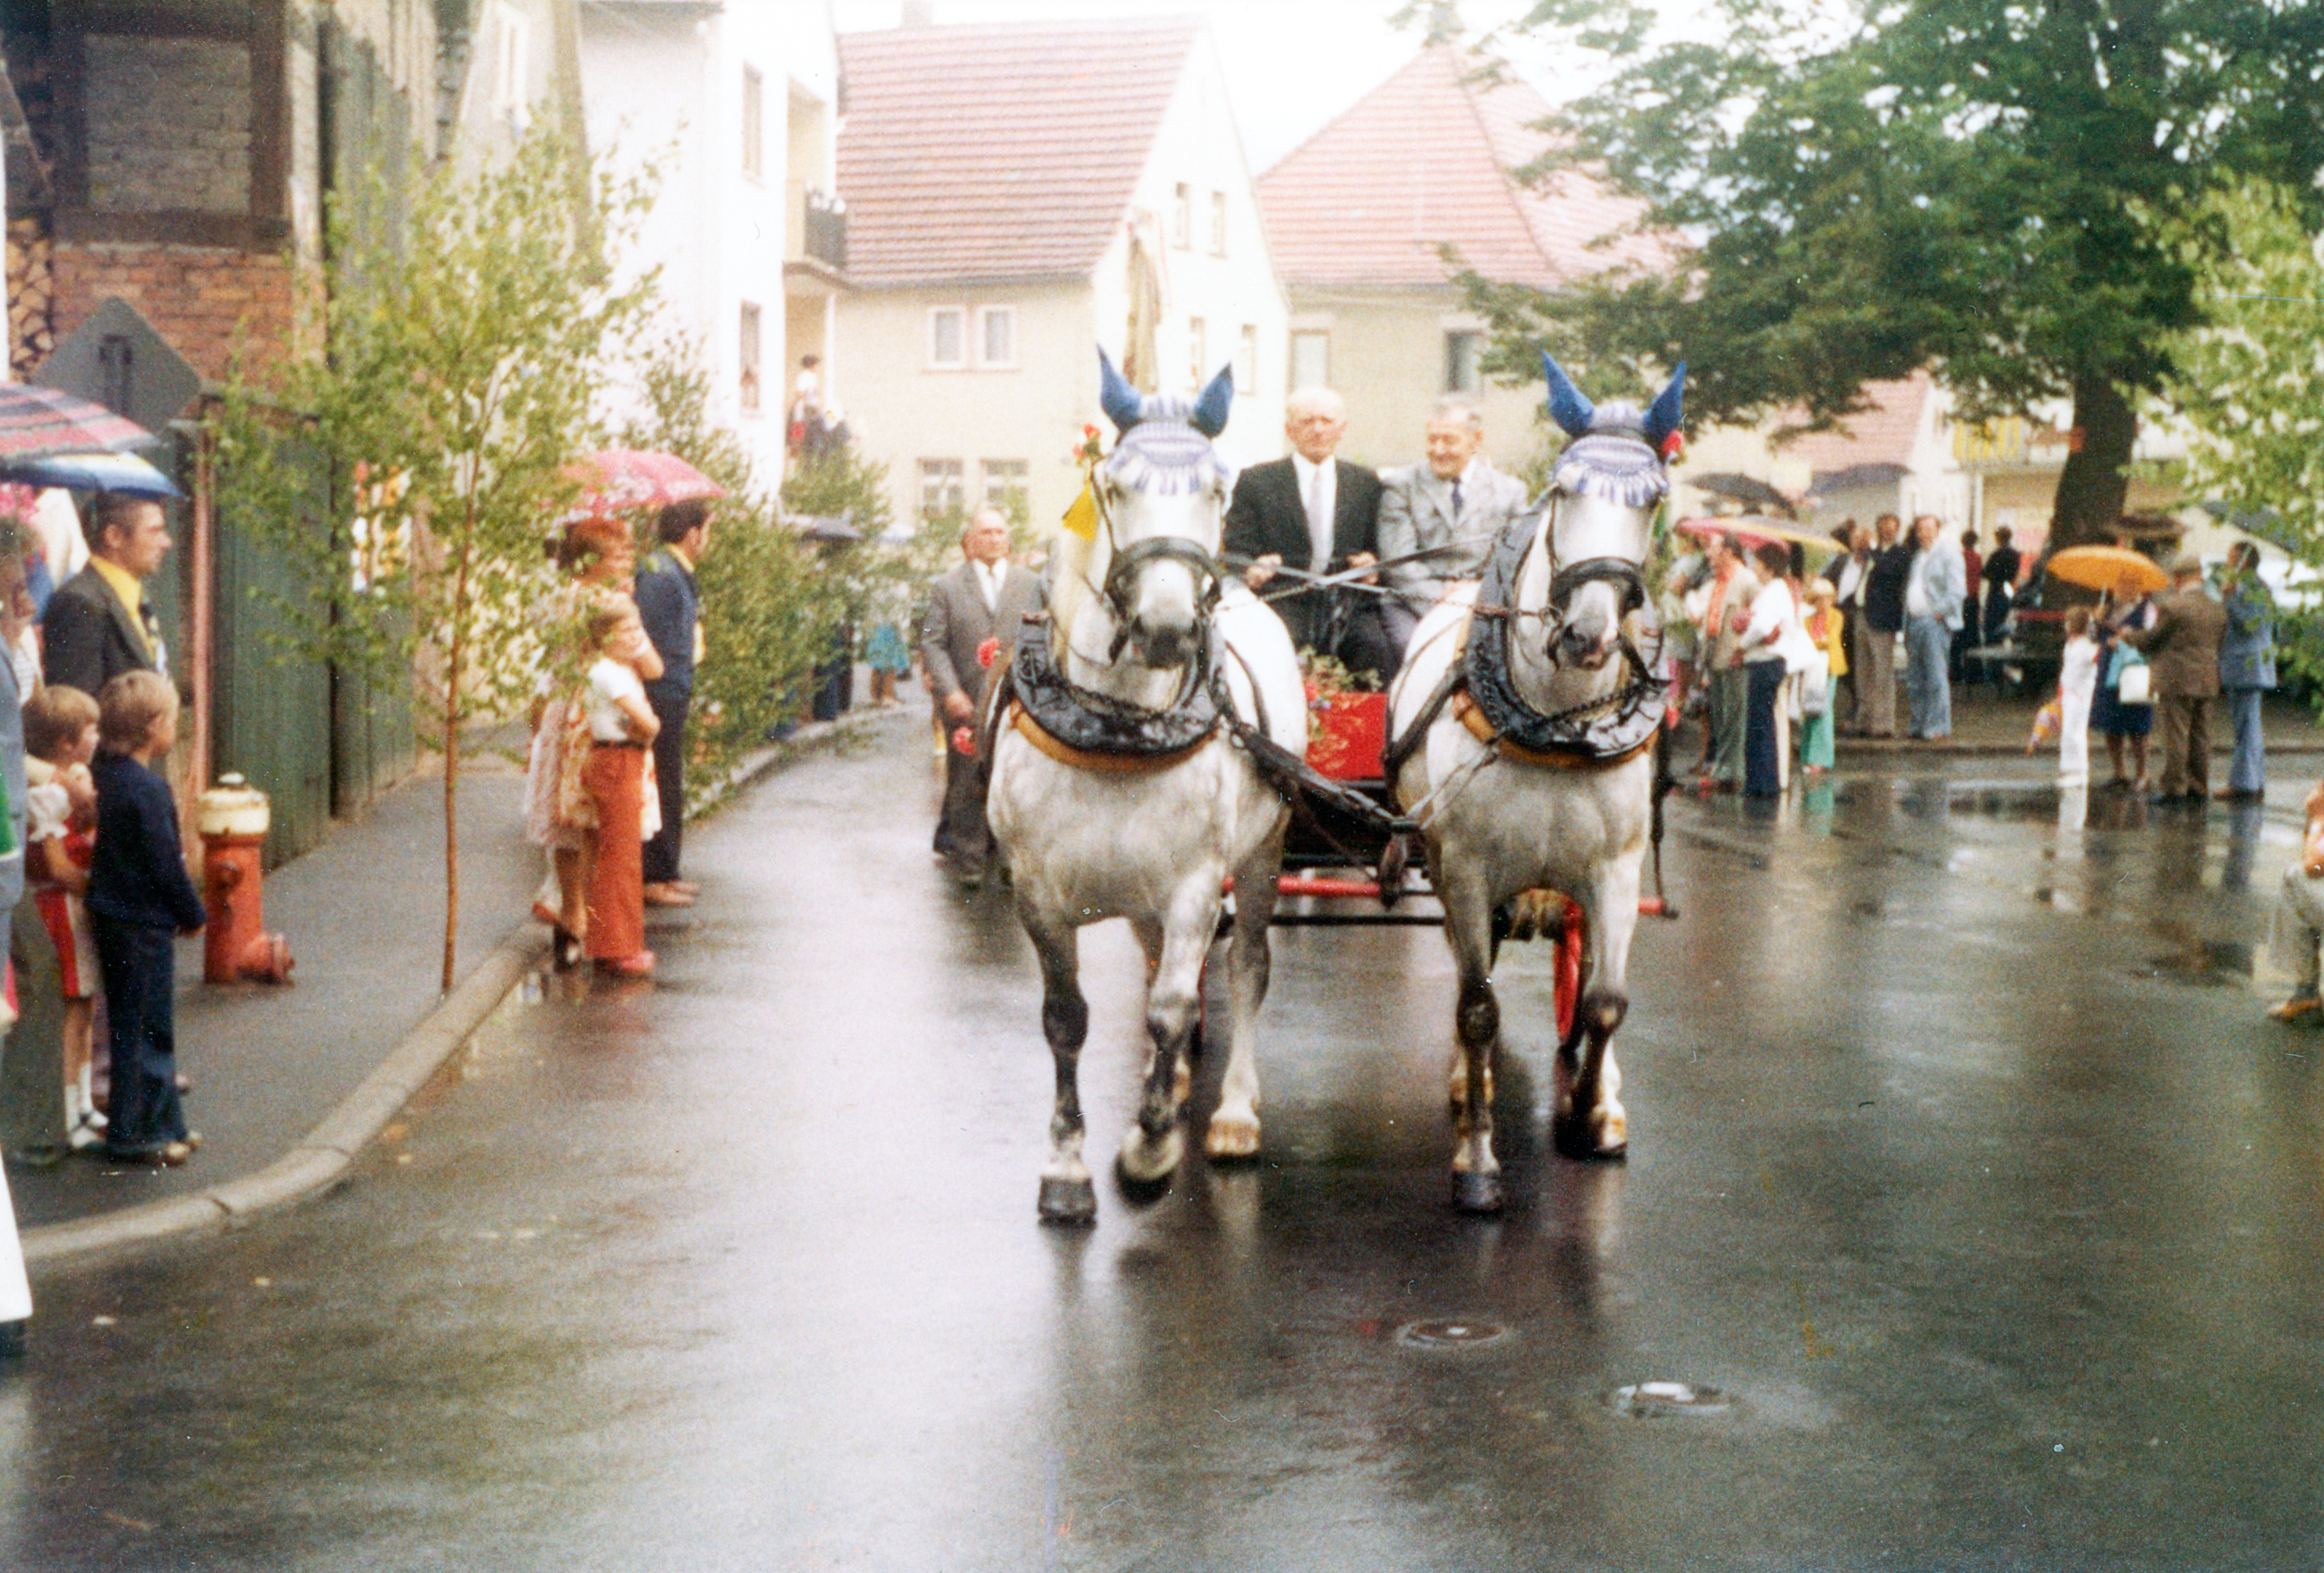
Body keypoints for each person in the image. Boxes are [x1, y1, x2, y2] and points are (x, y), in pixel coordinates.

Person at [86, 671, 206, 1167]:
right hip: (142, 922)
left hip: (113, 915)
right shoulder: (149, 789)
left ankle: (162, 1123)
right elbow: (165, 862)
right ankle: (138, 1135)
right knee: (149, 1029)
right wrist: (192, 912)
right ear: (155, 725)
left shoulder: (106, 778)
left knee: (130, 1027)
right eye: (173, 719)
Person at [1223, 387, 1395, 681]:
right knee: (1270, 653)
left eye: (1326, 421)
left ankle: (1368, 727)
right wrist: (1251, 569)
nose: (1317, 430)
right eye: (1306, 421)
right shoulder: (1256, 482)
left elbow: (1380, 548)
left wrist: (1372, 563)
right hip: (1283, 597)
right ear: (1289, 430)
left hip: (1347, 602)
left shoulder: (1366, 483)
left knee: (1377, 650)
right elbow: (1235, 549)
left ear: (1341, 429)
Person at [922, 508, 1045, 885]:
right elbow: (932, 642)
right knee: (966, 778)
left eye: (999, 532)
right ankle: (970, 859)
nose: (993, 538)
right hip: (967, 699)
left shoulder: (1031, 583)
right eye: (985, 532)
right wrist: (950, 690)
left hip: (1016, 700)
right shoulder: (946, 586)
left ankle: (1012, 860)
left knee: (1016, 778)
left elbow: (1044, 635)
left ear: (1008, 540)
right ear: (970, 540)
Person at [1375, 400, 1528, 650]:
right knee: (1417, 652)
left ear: (1476, 439)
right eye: (1432, 439)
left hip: (1484, 601)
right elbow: (1398, 560)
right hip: (1414, 603)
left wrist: (1478, 592)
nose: (1437, 449)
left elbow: (1516, 557)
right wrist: (1441, 596)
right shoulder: (1401, 485)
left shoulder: (1510, 491)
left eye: (1449, 440)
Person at [23, 685, 100, 1149]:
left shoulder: (72, 779)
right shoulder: (48, 794)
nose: (98, 735)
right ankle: (67, 1112)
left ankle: (84, 1104)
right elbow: (57, 866)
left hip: (71, 905)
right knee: (71, 1010)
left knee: (85, 1006)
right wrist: (101, 890)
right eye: (91, 729)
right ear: (65, 742)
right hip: (57, 906)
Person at [634, 498, 711, 909]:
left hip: (671, 690)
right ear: (692, 533)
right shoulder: (661, 574)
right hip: (660, 693)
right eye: (707, 531)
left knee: (668, 782)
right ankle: (654, 875)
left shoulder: (672, 570)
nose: (708, 540)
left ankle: (667, 871)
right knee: (660, 785)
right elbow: (645, 637)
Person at [580, 598, 661, 978]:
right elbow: (649, 723)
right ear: (605, 635)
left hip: (622, 757)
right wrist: (646, 731)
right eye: (627, 630)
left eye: (638, 628)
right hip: (617, 761)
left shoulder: (616, 666)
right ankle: (617, 947)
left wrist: (645, 731)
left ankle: (615, 942)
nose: (636, 637)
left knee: (621, 855)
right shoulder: (608, 673)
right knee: (621, 858)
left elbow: (654, 669)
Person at [43, 493, 172, 699]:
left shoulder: (134, 599)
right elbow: (76, 711)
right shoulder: (79, 602)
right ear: (114, 537)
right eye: (154, 531)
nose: (166, 542)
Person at [2125, 549, 2228, 802]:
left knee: (2176, 736)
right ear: (2200, 577)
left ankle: (2174, 788)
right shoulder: (2217, 609)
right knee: (2201, 736)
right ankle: (2199, 786)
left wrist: (2129, 635)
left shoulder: (2173, 607)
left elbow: (2151, 640)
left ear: (2179, 578)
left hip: (2176, 680)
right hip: (2207, 679)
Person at [1737, 541, 1811, 796]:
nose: (1755, 567)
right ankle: (1761, 781)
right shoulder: (1774, 590)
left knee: (1759, 724)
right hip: (1768, 660)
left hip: (1766, 660)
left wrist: (1741, 644)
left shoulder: (1774, 591)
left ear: (1768, 566)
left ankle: (1761, 783)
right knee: (1763, 723)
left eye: (1758, 562)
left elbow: (1761, 627)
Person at [1686, 531, 1759, 788]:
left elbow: (1758, 614)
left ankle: (1732, 770)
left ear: (1729, 552)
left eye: (1713, 548)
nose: (1708, 554)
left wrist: (1743, 645)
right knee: (1720, 713)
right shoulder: (1715, 581)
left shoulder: (1747, 579)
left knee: (1734, 713)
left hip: (1734, 654)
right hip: (1714, 652)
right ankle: (1723, 766)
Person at [2218, 540, 2275, 802]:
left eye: (2231, 558)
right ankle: (2253, 779)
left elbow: (2249, 624)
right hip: (2248, 666)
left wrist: (2229, 599)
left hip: (2247, 665)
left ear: (2244, 562)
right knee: (2248, 724)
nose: (2228, 563)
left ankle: (2244, 783)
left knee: (2247, 725)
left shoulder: (2251, 589)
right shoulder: (2253, 588)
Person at [1901, 514, 1965, 742]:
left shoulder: (1949, 554)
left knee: (1936, 675)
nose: (1924, 533)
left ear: (1937, 530)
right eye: (1920, 529)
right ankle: (1918, 724)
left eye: (1929, 528)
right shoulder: (1918, 556)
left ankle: (1938, 726)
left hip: (1934, 621)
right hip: (1914, 620)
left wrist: (1940, 612)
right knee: (1916, 676)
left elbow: (1957, 591)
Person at [2094, 580, 2157, 790]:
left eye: (2128, 583)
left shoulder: (2147, 610)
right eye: (2120, 584)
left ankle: (2142, 773)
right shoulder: (2107, 609)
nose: (2123, 588)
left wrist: (2130, 638)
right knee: (2111, 724)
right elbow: (2094, 637)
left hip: (2133, 672)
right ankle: (2119, 772)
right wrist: (2096, 620)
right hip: (2109, 671)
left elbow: (2153, 639)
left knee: (2138, 722)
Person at [1857, 514, 1910, 737]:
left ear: (1897, 530)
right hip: (1862, 614)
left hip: (1882, 618)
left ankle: (1883, 723)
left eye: (1891, 528)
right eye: (1882, 527)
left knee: (1883, 673)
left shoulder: (1900, 553)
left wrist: (1872, 556)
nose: (1886, 531)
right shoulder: (1872, 553)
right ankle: (1864, 718)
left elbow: (1890, 572)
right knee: (1863, 672)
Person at [1822, 520, 1869, 729]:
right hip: (1839, 617)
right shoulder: (1842, 560)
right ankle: (1854, 708)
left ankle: (1858, 712)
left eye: (1862, 540)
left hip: (1858, 617)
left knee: (1858, 667)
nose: (1858, 543)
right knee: (1844, 668)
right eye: (1855, 539)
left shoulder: (1870, 563)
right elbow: (1826, 580)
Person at [1799, 577, 1846, 777]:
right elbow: (1806, 639)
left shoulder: (1836, 616)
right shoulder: (1807, 619)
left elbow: (1830, 639)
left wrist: (1816, 642)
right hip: (1810, 668)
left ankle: (1822, 759)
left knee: (1823, 712)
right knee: (1809, 712)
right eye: (1819, 599)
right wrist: (1816, 641)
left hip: (1828, 668)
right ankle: (1807, 756)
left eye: (1827, 598)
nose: (1823, 603)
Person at [2056, 607, 2099, 787]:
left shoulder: (2086, 646)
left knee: (2077, 732)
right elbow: (2067, 670)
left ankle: (2080, 770)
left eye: (2069, 621)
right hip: (2068, 691)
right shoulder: (2069, 644)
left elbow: (2096, 659)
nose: (2066, 625)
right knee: (2067, 730)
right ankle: (2068, 767)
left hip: (2081, 694)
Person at [1981, 525, 2022, 647]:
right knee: (2003, 619)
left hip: (1995, 589)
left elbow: (1985, 573)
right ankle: (2000, 643)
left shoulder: (1996, 554)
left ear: (1998, 538)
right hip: (2008, 588)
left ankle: (1991, 647)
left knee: (1991, 622)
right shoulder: (2015, 554)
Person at [1953, 528, 1983, 682]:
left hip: (1960, 598)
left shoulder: (1958, 557)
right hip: (1973, 598)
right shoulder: (1978, 558)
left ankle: (1955, 672)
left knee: (1957, 635)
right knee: (1973, 635)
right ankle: (1974, 673)